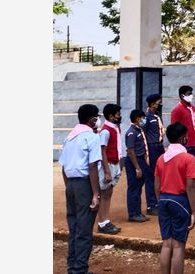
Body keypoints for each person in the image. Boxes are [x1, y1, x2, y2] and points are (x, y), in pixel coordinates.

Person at [60, 104, 102, 274]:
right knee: (84, 231)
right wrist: (96, 193)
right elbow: (92, 167)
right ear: (92, 120)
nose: (98, 120)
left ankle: (73, 267)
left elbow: (63, 167)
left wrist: (69, 187)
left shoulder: (69, 137)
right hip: (85, 184)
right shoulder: (91, 137)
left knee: (74, 228)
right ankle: (79, 270)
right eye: (97, 117)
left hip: (70, 184)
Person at [155, 122, 195, 274]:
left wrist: (161, 200)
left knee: (166, 244)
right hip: (180, 201)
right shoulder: (188, 158)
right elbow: (190, 186)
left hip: (164, 200)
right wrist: (193, 211)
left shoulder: (161, 158)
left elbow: (157, 184)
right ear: (182, 138)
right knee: (179, 245)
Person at [97, 103, 126, 232]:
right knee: (104, 194)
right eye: (118, 114)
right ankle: (102, 222)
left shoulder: (114, 128)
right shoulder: (105, 131)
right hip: (107, 165)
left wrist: (119, 163)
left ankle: (106, 220)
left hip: (114, 163)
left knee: (108, 193)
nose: (120, 116)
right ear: (111, 116)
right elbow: (102, 151)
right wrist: (107, 171)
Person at [125, 109, 150, 226]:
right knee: (134, 188)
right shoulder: (131, 132)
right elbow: (130, 151)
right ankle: (133, 214)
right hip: (134, 161)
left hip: (140, 160)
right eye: (142, 118)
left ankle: (138, 212)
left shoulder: (138, 130)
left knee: (139, 187)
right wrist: (137, 168)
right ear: (137, 119)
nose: (144, 120)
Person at [142, 93, 165, 216]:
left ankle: (158, 200)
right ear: (151, 104)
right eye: (158, 102)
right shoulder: (147, 117)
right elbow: (144, 133)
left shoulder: (157, 115)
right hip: (152, 147)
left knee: (160, 174)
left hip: (159, 145)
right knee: (151, 175)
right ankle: (151, 204)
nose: (159, 104)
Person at [170, 85, 195, 156]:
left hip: (193, 143)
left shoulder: (194, 109)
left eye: (191, 93)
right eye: (189, 94)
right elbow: (174, 129)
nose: (191, 95)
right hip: (183, 144)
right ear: (182, 96)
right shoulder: (177, 110)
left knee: (191, 164)